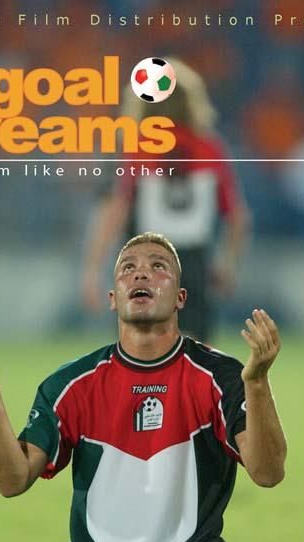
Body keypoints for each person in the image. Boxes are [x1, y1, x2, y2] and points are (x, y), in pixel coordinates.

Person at [0, 232, 287, 542]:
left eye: (158, 267)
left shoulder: (220, 375)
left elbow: (268, 472)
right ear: (113, 298)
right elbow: (12, 479)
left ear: (181, 297)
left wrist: (258, 382)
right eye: (128, 267)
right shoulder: (72, 383)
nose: (141, 274)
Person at [81, 58, 251, 342]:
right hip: (194, 263)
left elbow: (115, 210)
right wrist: (227, 263)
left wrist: (93, 269)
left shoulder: (138, 146)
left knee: (139, 351)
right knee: (198, 355)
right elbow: (237, 217)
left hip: (143, 262)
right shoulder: (210, 147)